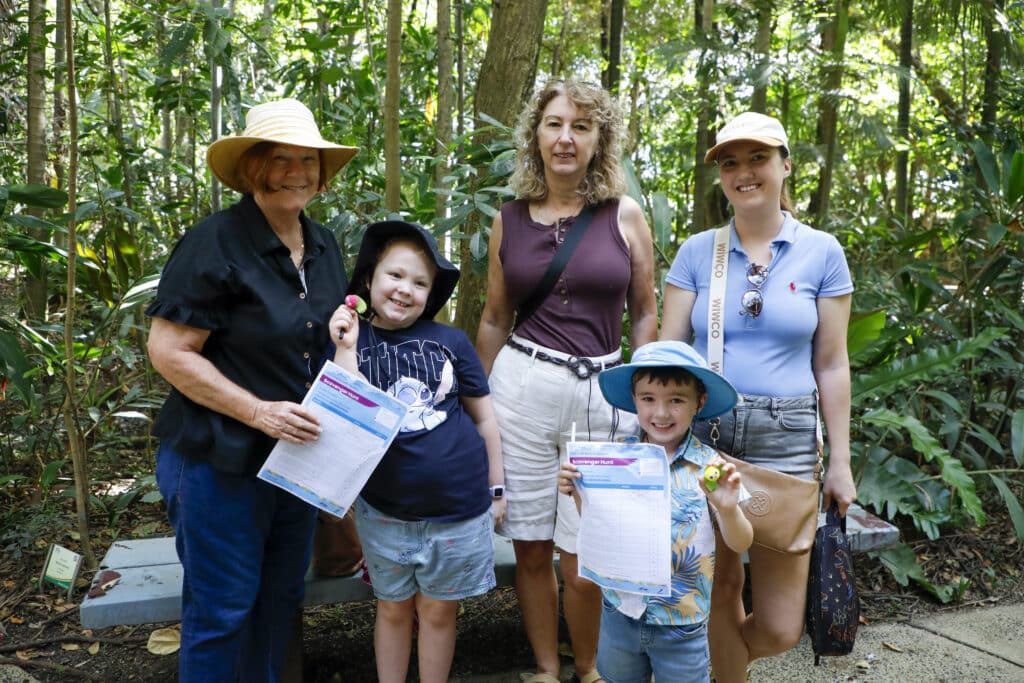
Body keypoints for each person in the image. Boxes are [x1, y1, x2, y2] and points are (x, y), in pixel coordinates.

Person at [145, 98, 358, 682]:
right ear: (252, 168)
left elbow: (319, 339)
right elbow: (168, 351)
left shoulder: (323, 243)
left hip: (296, 464)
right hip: (218, 460)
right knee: (222, 612)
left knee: (278, 604)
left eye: (308, 160)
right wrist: (258, 412)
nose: (296, 171)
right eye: (280, 159)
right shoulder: (214, 242)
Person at [660, 111, 857, 682]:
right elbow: (667, 356)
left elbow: (832, 363)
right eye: (730, 162)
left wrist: (840, 462)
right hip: (708, 433)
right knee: (718, 588)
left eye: (757, 158)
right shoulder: (699, 252)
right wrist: (654, 437)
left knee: (779, 626)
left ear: (785, 165)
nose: (743, 172)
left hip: (788, 437)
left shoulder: (821, 252)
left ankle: (710, 668)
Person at [475, 78, 658, 683]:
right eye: (554, 124)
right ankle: (547, 669)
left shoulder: (624, 215)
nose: (565, 138)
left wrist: (645, 396)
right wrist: (473, 406)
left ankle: (591, 669)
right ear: (536, 135)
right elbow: (495, 317)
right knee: (530, 545)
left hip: (605, 394)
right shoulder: (508, 219)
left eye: (581, 126)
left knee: (584, 551)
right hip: (522, 390)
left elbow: (645, 312)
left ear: (599, 140)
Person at [328, 220, 506, 683]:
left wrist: (498, 487)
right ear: (369, 279)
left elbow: (485, 419)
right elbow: (346, 414)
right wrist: (345, 347)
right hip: (385, 511)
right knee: (392, 609)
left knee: (438, 612)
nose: (405, 289)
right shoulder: (351, 341)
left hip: (457, 509)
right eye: (395, 275)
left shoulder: (451, 341)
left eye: (420, 282)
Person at [558, 340, 753, 683]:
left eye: (676, 400)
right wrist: (578, 491)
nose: (661, 413)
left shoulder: (710, 466)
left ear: (699, 403)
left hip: (682, 623)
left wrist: (728, 509)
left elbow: (741, 542)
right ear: (634, 400)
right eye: (648, 399)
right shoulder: (617, 459)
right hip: (620, 612)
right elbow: (599, 523)